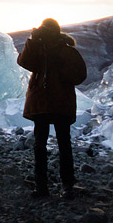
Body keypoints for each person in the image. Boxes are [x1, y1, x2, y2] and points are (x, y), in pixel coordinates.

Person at [18, 17, 88, 197]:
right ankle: (53, 186)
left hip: (53, 102)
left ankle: (58, 186)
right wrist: (32, 41)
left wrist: (59, 64)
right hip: (50, 103)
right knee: (51, 144)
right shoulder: (40, 50)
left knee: (55, 144)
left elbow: (79, 75)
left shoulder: (65, 51)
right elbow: (24, 62)